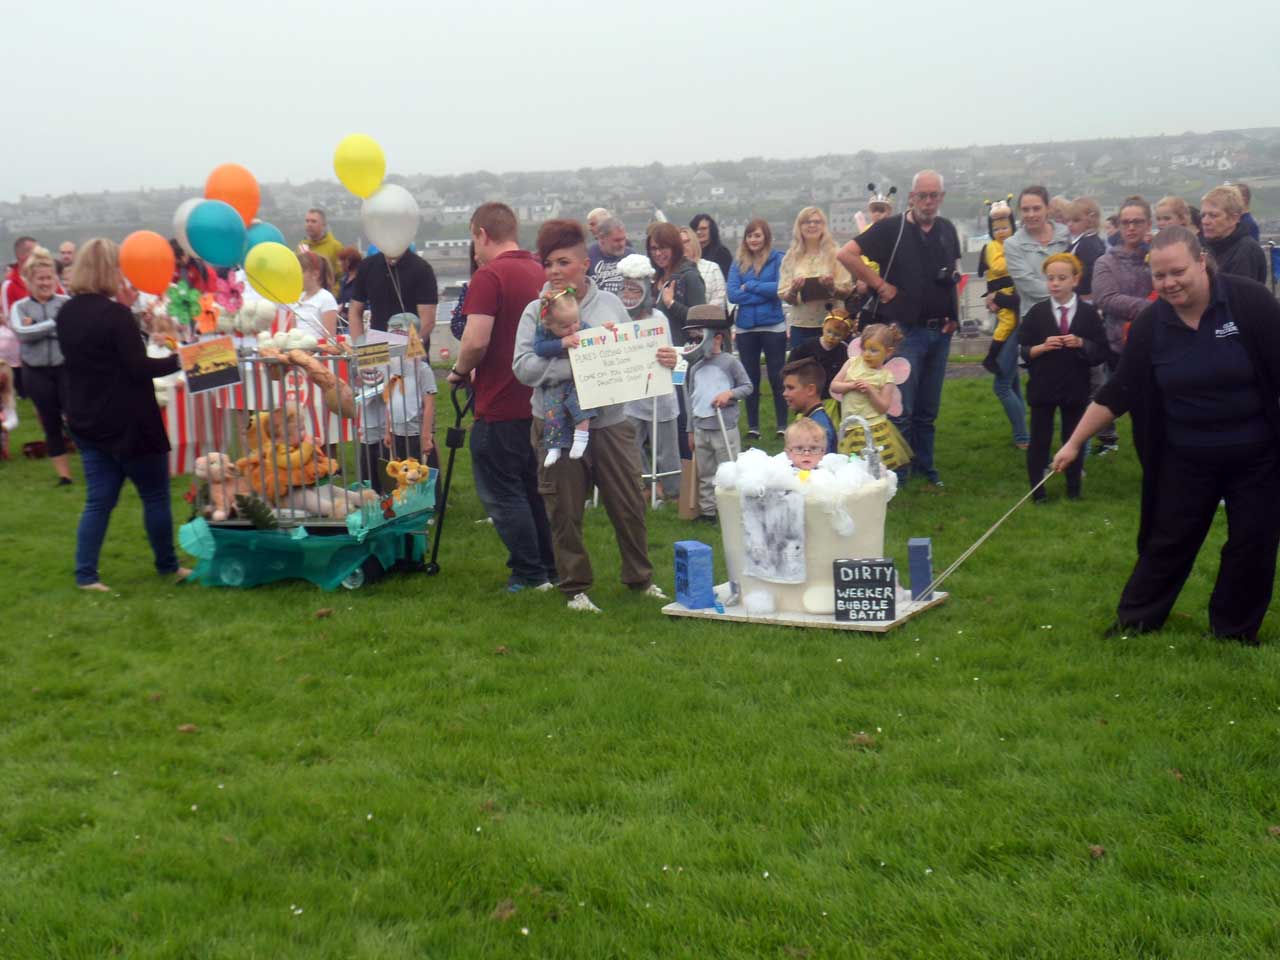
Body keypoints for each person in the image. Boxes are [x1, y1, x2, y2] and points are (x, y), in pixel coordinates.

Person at [1052, 227, 1280, 645]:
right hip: (1185, 455)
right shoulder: (1152, 323)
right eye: (1160, 276)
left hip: (1258, 453)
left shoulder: (1250, 302)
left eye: (1178, 272)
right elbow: (1120, 389)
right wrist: (1073, 443)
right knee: (1168, 541)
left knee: (1254, 540)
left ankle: (1234, 631)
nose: (1170, 283)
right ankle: (1136, 623)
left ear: (1201, 262)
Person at [512, 218, 677, 612]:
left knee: (629, 504)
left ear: (584, 263)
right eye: (548, 263)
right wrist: (581, 364)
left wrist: (666, 359)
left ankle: (640, 578)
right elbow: (523, 367)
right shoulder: (536, 311)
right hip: (556, 426)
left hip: (611, 422)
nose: (554, 271)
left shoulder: (611, 305)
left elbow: (634, 355)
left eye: (563, 262)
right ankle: (574, 586)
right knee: (564, 508)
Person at [55, 238, 188, 592]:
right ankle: (167, 566)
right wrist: (182, 360)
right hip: (129, 420)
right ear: (111, 271)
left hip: (86, 417)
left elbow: (106, 354)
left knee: (98, 500)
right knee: (155, 496)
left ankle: (86, 574)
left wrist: (129, 315)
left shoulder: (67, 312)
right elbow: (137, 365)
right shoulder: (114, 316)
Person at [448, 202, 557, 594]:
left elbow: (476, 339)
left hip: (499, 401)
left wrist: (460, 372)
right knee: (533, 488)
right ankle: (550, 566)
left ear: (481, 234)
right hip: (540, 400)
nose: (473, 250)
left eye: (473, 239)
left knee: (503, 492)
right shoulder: (539, 273)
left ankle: (529, 573)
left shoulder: (489, 275)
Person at [836, 170, 961, 485]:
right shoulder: (891, 229)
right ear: (912, 197)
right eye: (923, 195)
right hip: (905, 330)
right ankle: (898, 472)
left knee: (928, 408)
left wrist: (954, 315)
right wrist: (879, 284)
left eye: (934, 196)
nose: (928, 202)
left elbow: (954, 275)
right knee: (900, 405)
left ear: (941, 198)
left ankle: (926, 468)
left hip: (940, 330)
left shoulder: (947, 230)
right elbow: (846, 254)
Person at [1020, 253, 1107, 502]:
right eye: (1050, 278)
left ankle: (1073, 490)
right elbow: (1024, 350)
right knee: (1039, 439)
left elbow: (1100, 352)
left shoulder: (1089, 315)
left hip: (1075, 387)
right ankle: (1038, 492)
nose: (1055, 283)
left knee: (1073, 437)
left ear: (1075, 280)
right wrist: (1042, 347)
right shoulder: (1037, 313)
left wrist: (1081, 343)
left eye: (1061, 278)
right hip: (1043, 386)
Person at [1001, 186, 1071, 450]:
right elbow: (1027, 285)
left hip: (1071, 321)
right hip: (1037, 325)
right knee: (1042, 396)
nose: (1031, 214)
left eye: (1036, 208)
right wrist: (1065, 287)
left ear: (1047, 208)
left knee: (1074, 394)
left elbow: (1080, 270)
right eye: (1026, 209)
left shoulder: (1065, 235)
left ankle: (1075, 454)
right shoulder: (1013, 244)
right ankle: (1040, 456)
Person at [1092, 195, 1154, 456]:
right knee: (1137, 414)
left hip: (1160, 346)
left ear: (1148, 224)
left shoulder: (1159, 256)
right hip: (1121, 347)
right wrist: (1153, 308)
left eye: (1137, 222)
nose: (1131, 228)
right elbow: (1106, 299)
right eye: (1125, 222)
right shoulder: (1106, 262)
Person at [619, 254, 680, 502]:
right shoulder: (620, 319)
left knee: (666, 448)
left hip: (659, 395)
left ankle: (674, 491)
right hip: (631, 396)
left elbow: (671, 354)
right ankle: (642, 485)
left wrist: (670, 359)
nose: (631, 294)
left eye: (636, 288)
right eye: (627, 288)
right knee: (631, 445)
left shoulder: (658, 319)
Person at [10, 248, 73, 483]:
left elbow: (72, 331)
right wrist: (54, 325)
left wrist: (42, 327)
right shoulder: (20, 307)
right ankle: (64, 476)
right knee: (50, 422)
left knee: (76, 418)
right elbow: (22, 332)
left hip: (65, 368)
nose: (46, 283)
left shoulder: (66, 302)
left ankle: (93, 465)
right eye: (40, 279)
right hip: (35, 372)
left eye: (49, 278)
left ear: (56, 279)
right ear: (29, 280)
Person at [684, 305, 751, 523]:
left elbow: (747, 386)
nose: (695, 342)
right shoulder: (694, 367)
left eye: (700, 336)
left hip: (724, 427)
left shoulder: (730, 362)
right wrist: (690, 430)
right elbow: (691, 399)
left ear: (718, 338)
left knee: (727, 470)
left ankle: (729, 508)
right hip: (702, 427)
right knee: (705, 473)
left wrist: (729, 394)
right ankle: (708, 511)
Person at [358, 312, 436, 495]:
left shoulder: (422, 370)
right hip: (396, 431)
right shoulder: (390, 370)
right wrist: (387, 430)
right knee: (402, 470)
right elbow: (388, 400)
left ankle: (429, 502)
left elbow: (429, 403)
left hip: (415, 430)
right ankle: (406, 502)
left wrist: (426, 434)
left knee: (420, 468)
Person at [726, 218, 787, 440]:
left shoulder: (778, 259)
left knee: (777, 377)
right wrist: (763, 293)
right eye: (750, 235)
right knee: (749, 378)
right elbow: (733, 294)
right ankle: (753, 427)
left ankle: (782, 425)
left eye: (757, 235)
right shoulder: (738, 262)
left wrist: (751, 286)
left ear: (766, 237)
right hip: (746, 329)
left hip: (773, 326)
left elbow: (780, 288)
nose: (753, 239)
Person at [830, 323, 912, 469]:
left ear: (888, 352)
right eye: (864, 349)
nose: (867, 354)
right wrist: (850, 386)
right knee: (852, 466)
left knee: (874, 467)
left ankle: (876, 489)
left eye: (874, 350)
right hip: (850, 427)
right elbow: (834, 386)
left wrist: (871, 391)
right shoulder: (852, 363)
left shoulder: (886, 376)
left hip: (873, 429)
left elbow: (883, 407)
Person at [532, 287, 595, 467]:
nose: (573, 328)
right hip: (555, 381)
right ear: (548, 324)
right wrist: (561, 343)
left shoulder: (582, 327)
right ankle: (554, 446)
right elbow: (539, 349)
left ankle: (581, 436)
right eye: (565, 326)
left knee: (581, 402)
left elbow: (597, 338)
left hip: (579, 379)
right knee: (552, 409)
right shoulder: (543, 331)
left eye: (575, 321)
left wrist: (607, 328)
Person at [779, 206, 853, 349]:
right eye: (806, 222)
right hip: (801, 325)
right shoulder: (791, 256)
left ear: (824, 226)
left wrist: (831, 287)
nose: (812, 225)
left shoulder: (836, 253)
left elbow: (847, 291)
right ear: (799, 226)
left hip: (833, 324)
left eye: (817, 222)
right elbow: (784, 294)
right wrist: (794, 290)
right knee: (802, 368)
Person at [348, 246, 438, 340]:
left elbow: (428, 319)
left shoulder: (422, 268)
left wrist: (415, 345)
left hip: (413, 345)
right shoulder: (367, 266)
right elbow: (355, 309)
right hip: (378, 345)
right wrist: (359, 345)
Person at [978, 198, 1019, 374]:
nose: (1001, 232)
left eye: (1004, 228)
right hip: (1001, 290)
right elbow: (997, 266)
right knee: (1007, 323)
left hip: (1010, 289)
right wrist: (1016, 257)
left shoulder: (1010, 245)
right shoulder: (993, 246)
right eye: (996, 229)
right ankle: (991, 357)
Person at [1200, 185, 1267, 284]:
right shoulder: (1210, 246)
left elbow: (1238, 295)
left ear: (1233, 219)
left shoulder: (1246, 251)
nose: (1205, 221)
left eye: (1213, 215)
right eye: (1203, 215)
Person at [647, 221, 705, 335]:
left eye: (663, 248)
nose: (658, 253)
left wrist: (672, 304)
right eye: (654, 248)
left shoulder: (690, 276)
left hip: (682, 349)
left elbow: (701, 320)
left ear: (675, 248)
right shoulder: (653, 278)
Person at [788, 307, 854, 400]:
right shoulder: (807, 346)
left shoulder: (844, 351)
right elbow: (792, 364)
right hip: (808, 394)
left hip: (831, 396)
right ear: (823, 326)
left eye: (837, 335)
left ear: (846, 335)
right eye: (829, 332)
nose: (831, 337)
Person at [779, 357, 836, 453]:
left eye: (790, 388)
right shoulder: (811, 419)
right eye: (785, 388)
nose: (784, 393)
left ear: (810, 390)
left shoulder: (818, 428)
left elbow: (817, 466)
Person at [289, 251, 339, 339]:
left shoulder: (326, 298)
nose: (296, 275)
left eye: (301, 271)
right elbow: (293, 331)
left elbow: (330, 337)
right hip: (299, 349)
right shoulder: (298, 298)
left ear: (315, 274)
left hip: (318, 351)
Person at [1066, 198, 1106, 299]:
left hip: (1083, 297)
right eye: (1068, 220)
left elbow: (1088, 274)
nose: (1070, 224)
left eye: (1076, 220)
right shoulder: (1096, 241)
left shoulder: (1086, 244)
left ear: (1091, 220)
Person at [680, 226, 726, 309]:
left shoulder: (712, 268)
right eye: (679, 243)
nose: (683, 246)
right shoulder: (672, 271)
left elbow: (720, 300)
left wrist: (699, 314)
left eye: (686, 242)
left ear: (694, 243)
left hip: (706, 318)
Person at [300, 208, 342, 294]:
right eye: (307, 221)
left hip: (325, 299)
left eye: (313, 221)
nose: (309, 224)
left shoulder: (335, 247)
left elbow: (342, 277)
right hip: (304, 299)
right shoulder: (301, 246)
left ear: (323, 225)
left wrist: (332, 294)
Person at [586, 217, 633, 295]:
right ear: (601, 239)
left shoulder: (631, 256)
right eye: (617, 240)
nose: (622, 244)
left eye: (623, 239)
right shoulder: (588, 255)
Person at [690, 213, 734, 284]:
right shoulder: (689, 254)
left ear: (712, 230)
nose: (698, 232)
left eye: (703, 228)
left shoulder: (722, 253)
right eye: (696, 229)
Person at [336, 246, 362, 314]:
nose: (338, 263)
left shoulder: (362, 281)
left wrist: (344, 306)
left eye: (341, 260)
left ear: (348, 261)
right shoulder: (343, 280)